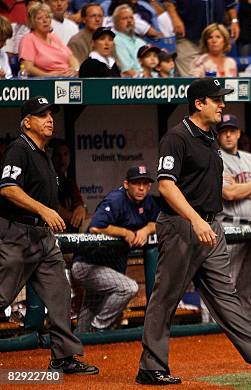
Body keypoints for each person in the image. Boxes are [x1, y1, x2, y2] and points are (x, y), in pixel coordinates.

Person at [137, 78, 251, 385]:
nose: (222, 104)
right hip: (182, 225)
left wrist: (206, 221)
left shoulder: (210, 137)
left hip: (211, 225)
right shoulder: (177, 137)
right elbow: (166, 186)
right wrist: (196, 220)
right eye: (216, 100)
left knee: (226, 295)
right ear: (199, 103)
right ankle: (150, 367)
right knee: (166, 297)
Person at [0, 96, 99, 374]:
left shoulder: (43, 154)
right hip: (18, 233)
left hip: (44, 238)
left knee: (59, 294)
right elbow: (8, 188)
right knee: (1, 296)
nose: (50, 119)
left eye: (50, 114)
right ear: (27, 122)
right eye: (42, 115)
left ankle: (63, 357)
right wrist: (44, 210)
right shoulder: (19, 149)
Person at [72, 165, 159, 332]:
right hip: (88, 265)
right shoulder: (116, 200)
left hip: (109, 269)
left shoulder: (148, 201)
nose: (141, 188)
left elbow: (158, 221)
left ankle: (80, 339)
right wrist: (124, 232)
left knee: (89, 311)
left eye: (145, 183)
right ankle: (97, 329)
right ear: (126, 184)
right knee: (129, 288)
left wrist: (146, 229)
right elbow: (95, 227)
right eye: (136, 183)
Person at [217, 113, 251, 314]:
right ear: (218, 136)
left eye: (232, 131)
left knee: (248, 286)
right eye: (224, 132)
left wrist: (244, 186)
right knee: (225, 283)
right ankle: (212, 332)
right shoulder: (217, 159)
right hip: (230, 226)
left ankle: (246, 330)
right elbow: (229, 193)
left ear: (239, 133)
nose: (229, 135)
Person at [162, 0, 240, 76]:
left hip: (213, 37)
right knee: (189, 80)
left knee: (216, 80)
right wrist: (175, 19)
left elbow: (230, 3)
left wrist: (234, 20)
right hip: (188, 35)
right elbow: (168, 1)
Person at [19, 2, 80, 77]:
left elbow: (71, 57)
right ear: (32, 22)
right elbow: (27, 67)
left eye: (47, 17)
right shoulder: (28, 39)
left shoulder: (53, 37)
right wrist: (48, 76)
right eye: (39, 18)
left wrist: (76, 70)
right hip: (47, 81)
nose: (45, 21)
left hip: (68, 77)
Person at [50, 139, 86, 232]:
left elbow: (79, 204)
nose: (62, 159)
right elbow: (55, 210)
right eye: (58, 155)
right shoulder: (47, 180)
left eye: (66, 154)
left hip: (66, 230)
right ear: (51, 157)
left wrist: (81, 208)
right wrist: (77, 218)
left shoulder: (69, 182)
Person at [112, 4, 146, 77]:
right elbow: (127, 70)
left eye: (131, 18)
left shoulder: (141, 42)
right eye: (124, 18)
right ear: (116, 22)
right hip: (133, 83)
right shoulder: (116, 40)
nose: (129, 21)